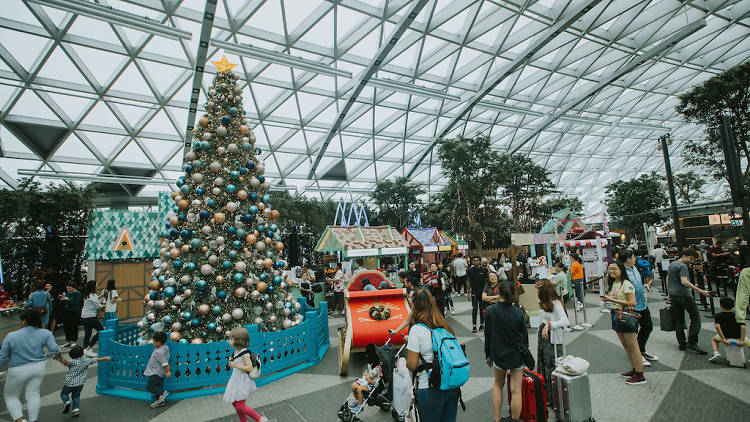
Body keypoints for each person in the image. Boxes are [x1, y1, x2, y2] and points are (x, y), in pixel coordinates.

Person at [0, 309, 64, 422]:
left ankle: (20, 420)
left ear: (24, 321)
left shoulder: (11, 336)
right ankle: (33, 420)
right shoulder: (46, 333)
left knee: (11, 396)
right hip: (39, 367)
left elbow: (2, 357)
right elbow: (55, 350)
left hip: (17, 369)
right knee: (33, 394)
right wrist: (61, 359)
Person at [405, 289, 459, 421]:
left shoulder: (416, 329)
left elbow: (411, 365)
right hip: (452, 385)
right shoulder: (443, 324)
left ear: (414, 307)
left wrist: (411, 346)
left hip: (429, 387)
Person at [484, 281, 528, 422]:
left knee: (498, 385)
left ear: (499, 293)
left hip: (498, 354)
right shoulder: (518, 313)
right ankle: (515, 419)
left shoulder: (490, 312)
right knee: (516, 390)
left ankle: (497, 419)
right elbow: (524, 338)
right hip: (516, 355)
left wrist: (488, 355)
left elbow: (488, 335)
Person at [600, 261, 646, 385]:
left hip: (626, 315)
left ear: (621, 270)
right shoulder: (613, 283)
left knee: (633, 346)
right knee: (626, 346)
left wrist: (611, 299)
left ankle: (640, 374)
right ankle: (634, 369)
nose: (611, 271)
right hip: (615, 314)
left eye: (614, 269)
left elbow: (633, 303)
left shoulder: (627, 284)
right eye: (610, 269)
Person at [667, 247, 711, 354]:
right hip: (684, 295)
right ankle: (692, 342)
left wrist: (669, 292)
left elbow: (668, 279)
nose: (691, 261)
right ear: (685, 256)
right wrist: (700, 290)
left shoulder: (672, 264)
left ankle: (682, 343)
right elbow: (684, 281)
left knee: (679, 320)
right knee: (696, 318)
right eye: (691, 259)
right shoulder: (683, 266)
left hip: (673, 295)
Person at [620, 250, 658, 367]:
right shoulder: (621, 272)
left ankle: (641, 350)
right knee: (633, 332)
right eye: (633, 257)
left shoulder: (635, 268)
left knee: (648, 327)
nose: (635, 259)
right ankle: (637, 355)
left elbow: (638, 283)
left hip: (642, 303)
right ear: (628, 259)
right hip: (631, 306)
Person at [224, 327, 268, 422]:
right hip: (236, 380)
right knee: (234, 403)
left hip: (242, 381)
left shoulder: (244, 354)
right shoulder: (236, 351)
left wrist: (236, 365)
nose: (229, 341)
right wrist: (232, 363)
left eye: (231, 339)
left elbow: (249, 368)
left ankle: (259, 418)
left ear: (239, 341)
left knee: (240, 406)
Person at [536, 280, 569, 402]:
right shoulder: (545, 302)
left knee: (551, 366)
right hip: (543, 337)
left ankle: (554, 398)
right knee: (542, 364)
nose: (536, 291)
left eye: (538, 288)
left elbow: (565, 321)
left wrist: (549, 325)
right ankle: (545, 396)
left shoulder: (556, 304)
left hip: (553, 339)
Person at [58, 345, 111, 416]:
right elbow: (96, 360)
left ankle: (67, 401)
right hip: (80, 384)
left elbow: (65, 362)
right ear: (82, 354)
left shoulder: (72, 361)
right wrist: (105, 358)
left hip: (69, 383)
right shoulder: (86, 360)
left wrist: (60, 358)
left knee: (63, 394)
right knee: (76, 396)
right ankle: (76, 410)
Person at [709, 297, 749, 362]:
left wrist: (723, 339)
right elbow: (743, 327)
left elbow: (717, 327)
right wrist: (742, 340)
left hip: (726, 337)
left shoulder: (718, 316)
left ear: (720, 306)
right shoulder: (737, 315)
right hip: (738, 337)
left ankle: (716, 353)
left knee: (714, 340)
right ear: (733, 306)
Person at [145, 331, 171, 408]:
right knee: (158, 385)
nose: (152, 342)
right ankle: (160, 400)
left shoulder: (158, 352)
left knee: (150, 386)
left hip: (155, 372)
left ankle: (163, 393)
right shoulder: (165, 347)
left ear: (158, 342)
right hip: (159, 372)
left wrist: (168, 371)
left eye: (153, 341)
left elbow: (164, 363)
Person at [80, 281, 104, 358]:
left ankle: (85, 349)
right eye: (96, 285)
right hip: (91, 317)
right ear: (93, 286)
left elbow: (95, 300)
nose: (97, 286)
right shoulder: (93, 296)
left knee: (88, 334)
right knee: (101, 331)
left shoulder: (87, 294)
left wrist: (101, 295)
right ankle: (88, 348)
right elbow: (98, 306)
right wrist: (106, 305)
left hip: (84, 316)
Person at [468, 256, 488, 333]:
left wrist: (487, 292)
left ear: (480, 261)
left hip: (483, 292)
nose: (476, 262)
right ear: (472, 262)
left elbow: (487, 281)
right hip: (474, 292)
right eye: (474, 260)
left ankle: (482, 324)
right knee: (475, 308)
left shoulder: (484, 269)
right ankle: (474, 325)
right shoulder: (470, 270)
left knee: (482, 308)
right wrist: (468, 292)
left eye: (477, 260)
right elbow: (468, 280)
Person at [60, 283, 82, 348]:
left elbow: (77, 302)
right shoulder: (67, 293)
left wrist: (68, 299)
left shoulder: (78, 293)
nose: (68, 290)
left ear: (74, 288)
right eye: (67, 288)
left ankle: (74, 341)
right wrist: (63, 299)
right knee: (66, 326)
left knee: (74, 326)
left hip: (75, 311)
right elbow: (65, 302)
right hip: (66, 311)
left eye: (69, 288)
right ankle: (68, 341)